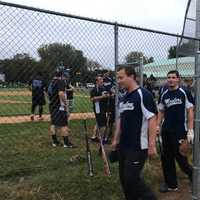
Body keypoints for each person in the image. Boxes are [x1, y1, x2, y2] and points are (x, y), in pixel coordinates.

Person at [112, 66, 158, 200]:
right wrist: (115, 140)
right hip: (123, 145)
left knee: (132, 179)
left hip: (138, 146)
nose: (118, 81)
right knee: (124, 179)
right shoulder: (124, 97)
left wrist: (151, 145)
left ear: (131, 77)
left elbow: (152, 118)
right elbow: (120, 120)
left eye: (121, 77)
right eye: (117, 78)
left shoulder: (143, 95)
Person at [157, 70, 194, 192]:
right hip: (166, 130)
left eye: (173, 77)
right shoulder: (164, 94)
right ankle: (171, 184)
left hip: (179, 130)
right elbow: (161, 111)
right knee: (166, 158)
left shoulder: (184, 92)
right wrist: (157, 126)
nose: (171, 79)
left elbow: (190, 111)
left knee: (181, 157)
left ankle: (193, 175)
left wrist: (190, 130)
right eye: (169, 77)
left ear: (178, 79)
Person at [48, 67, 75, 148]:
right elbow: (61, 94)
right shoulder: (61, 81)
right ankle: (66, 143)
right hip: (60, 106)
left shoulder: (51, 82)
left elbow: (47, 92)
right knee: (64, 124)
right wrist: (65, 104)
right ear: (62, 75)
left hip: (52, 105)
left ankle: (55, 142)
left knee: (53, 123)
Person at [90, 75, 110, 141]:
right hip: (98, 108)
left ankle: (94, 136)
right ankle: (101, 138)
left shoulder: (103, 88)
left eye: (102, 79)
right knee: (103, 124)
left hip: (104, 107)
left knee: (99, 122)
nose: (102, 81)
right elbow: (92, 99)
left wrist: (108, 95)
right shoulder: (94, 89)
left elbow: (106, 95)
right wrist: (102, 97)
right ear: (96, 81)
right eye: (100, 79)